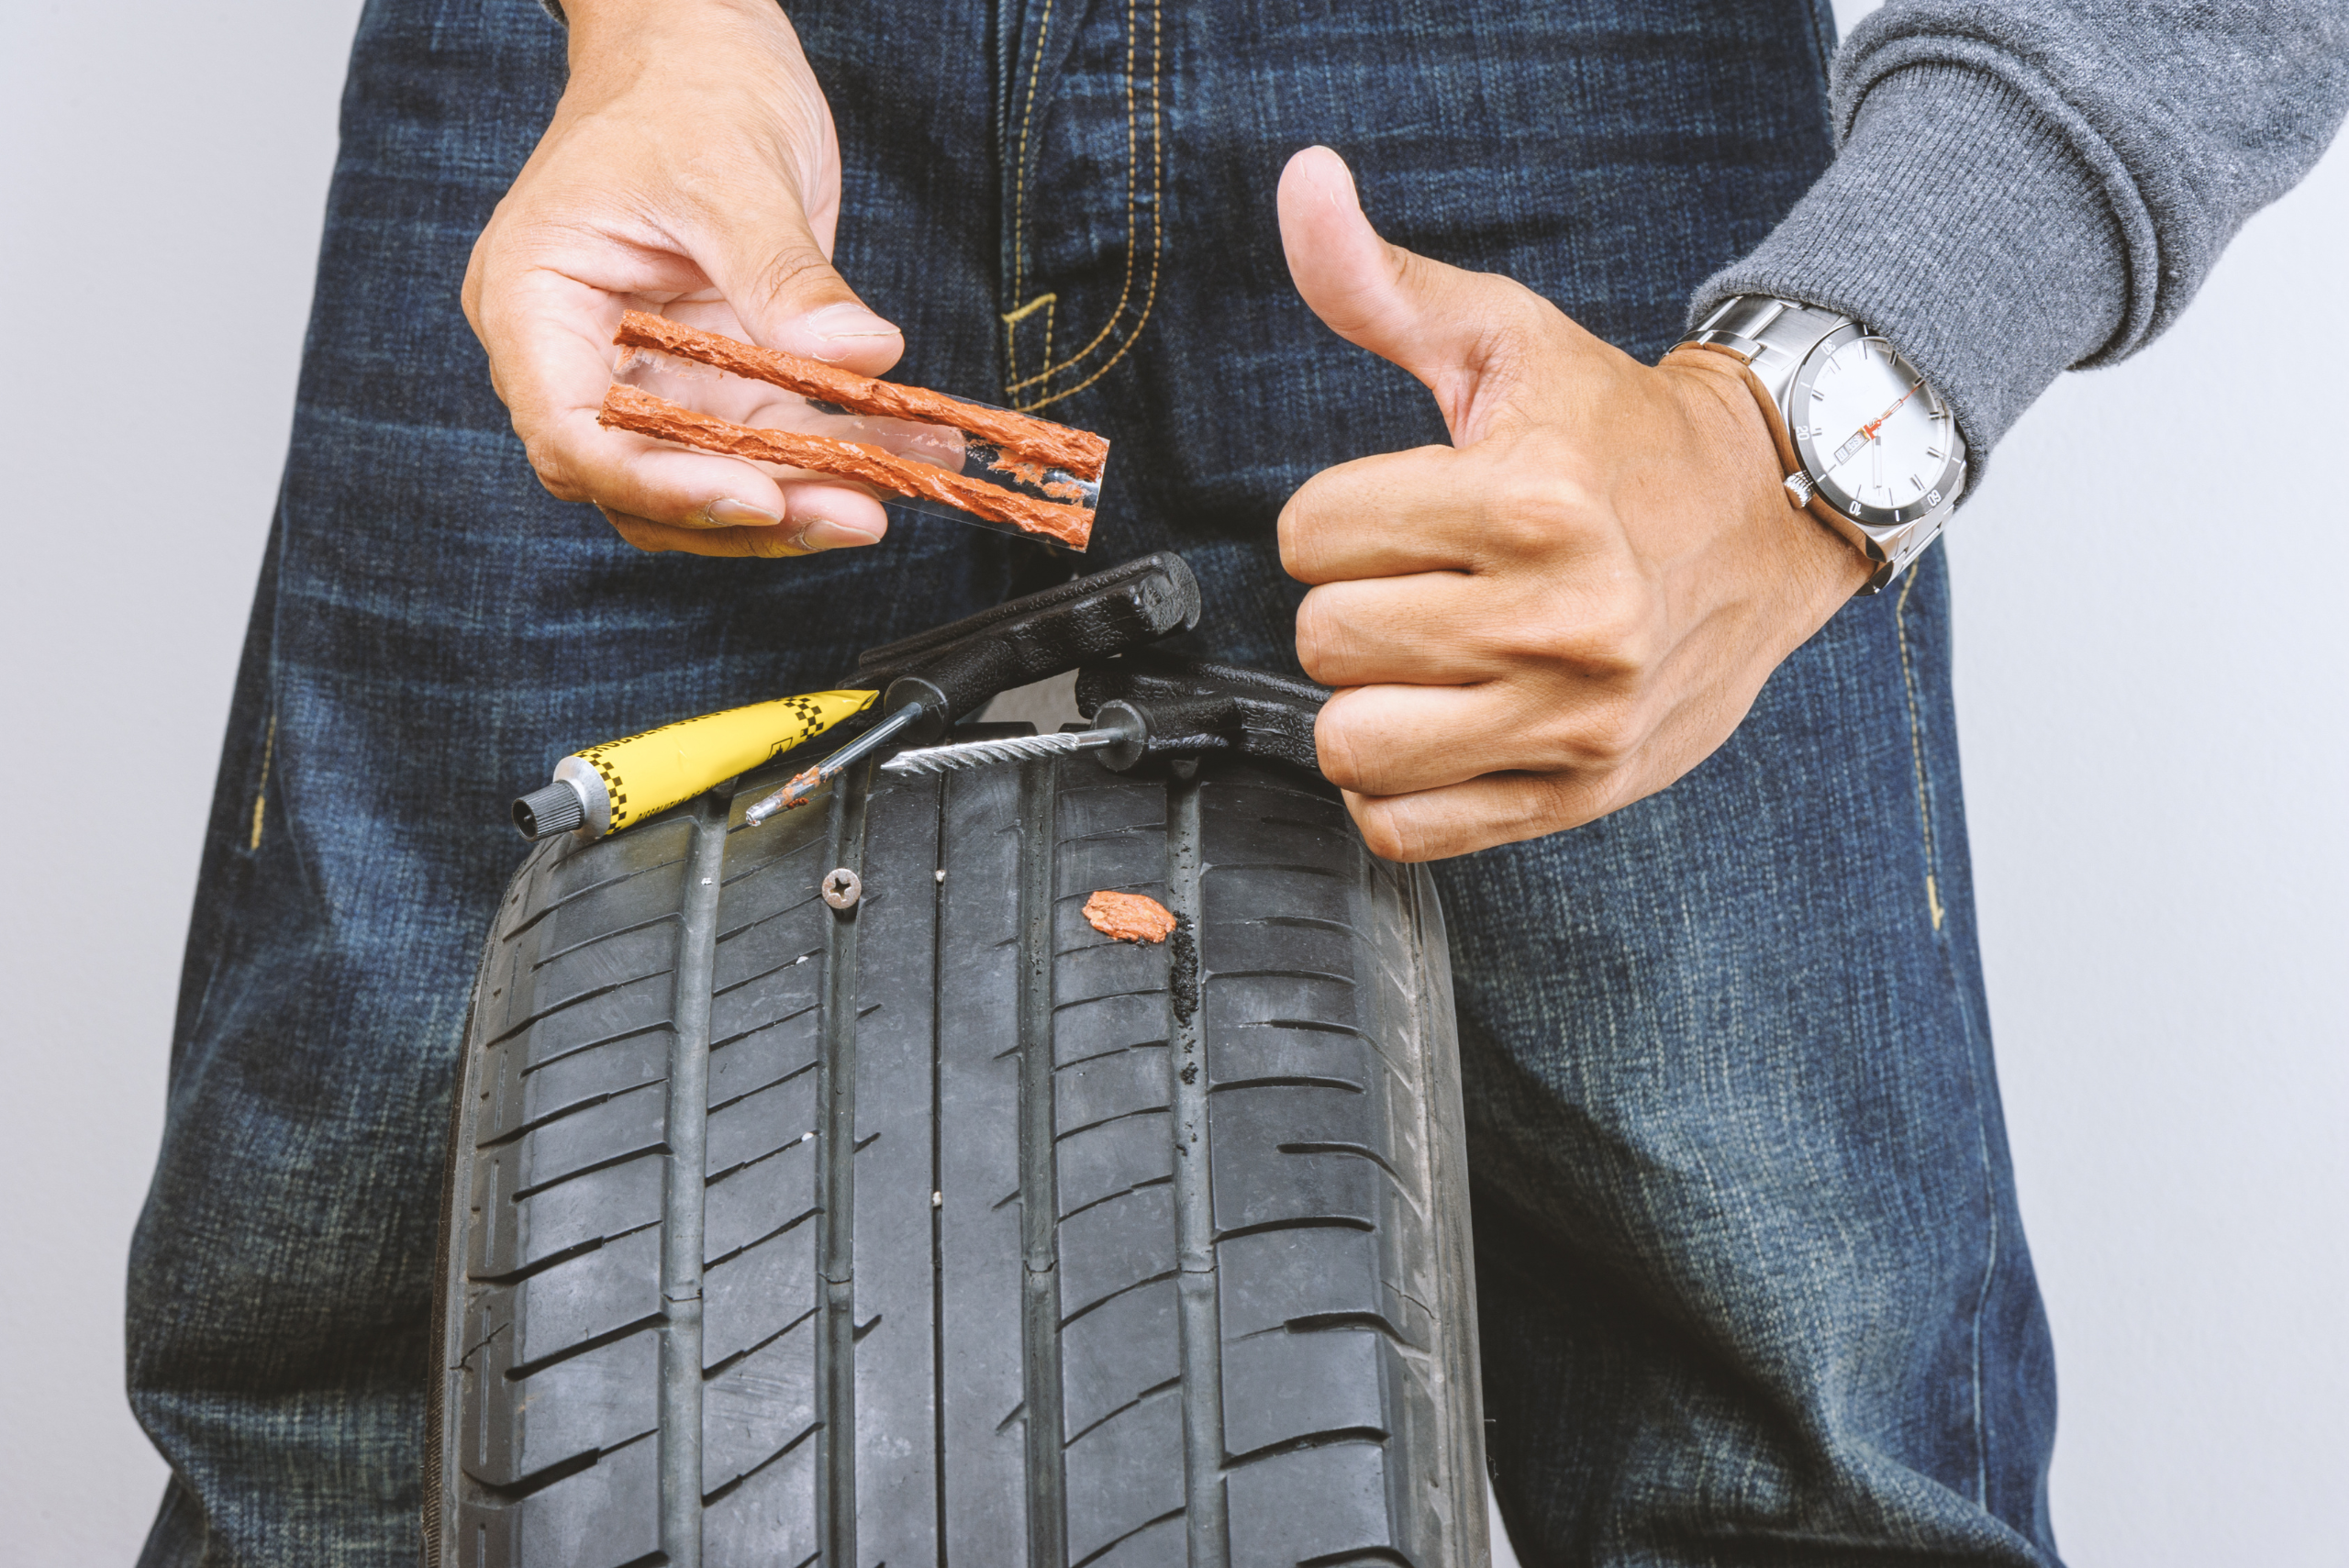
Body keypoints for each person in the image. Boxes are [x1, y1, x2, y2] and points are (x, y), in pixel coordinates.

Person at [126, 0, 2344, 1562]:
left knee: (1797, 1473)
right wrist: (652, 25)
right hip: (677, 103)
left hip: (1567, 118)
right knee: (348, 1446)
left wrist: (1796, 437)